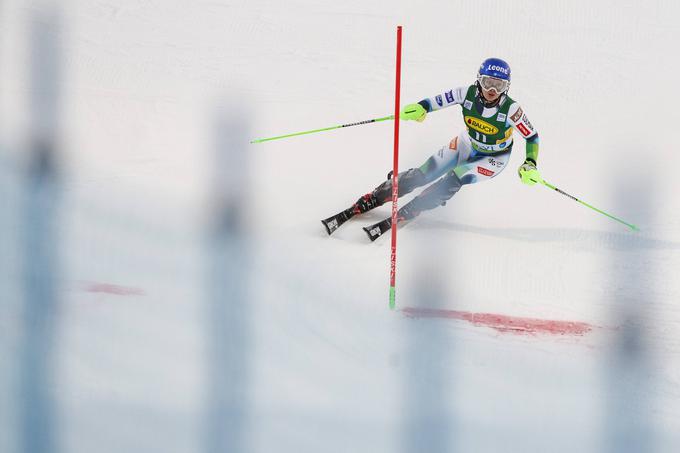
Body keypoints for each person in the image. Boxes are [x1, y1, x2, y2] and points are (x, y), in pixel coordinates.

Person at [321, 57, 542, 241]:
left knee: (454, 178)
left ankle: (415, 207)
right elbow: (436, 101)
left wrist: (530, 164)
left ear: (507, 87)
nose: (492, 90)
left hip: (493, 159)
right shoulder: (465, 94)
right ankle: (378, 194)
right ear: (479, 81)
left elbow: (532, 137)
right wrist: (419, 108)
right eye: (487, 83)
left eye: (499, 85)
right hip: (467, 143)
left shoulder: (512, 110)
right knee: (422, 175)